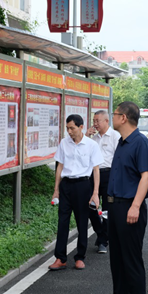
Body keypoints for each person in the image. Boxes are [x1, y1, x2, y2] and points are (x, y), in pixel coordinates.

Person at [94, 101, 148, 294]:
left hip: (130, 207)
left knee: (131, 258)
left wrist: (136, 206)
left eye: (115, 114)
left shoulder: (140, 142)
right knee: (116, 257)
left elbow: (146, 176)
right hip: (115, 206)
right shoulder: (122, 141)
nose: (112, 117)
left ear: (124, 118)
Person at [49, 114, 103, 271]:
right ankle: (60, 258)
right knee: (63, 222)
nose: (69, 131)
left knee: (81, 222)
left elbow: (96, 170)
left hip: (83, 185)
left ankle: (80, 257)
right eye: (67, 128)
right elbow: (59, 167)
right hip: (66, 186)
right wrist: (56, 190)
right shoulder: (64, 143)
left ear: (81, 127)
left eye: (72, 128)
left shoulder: (91, 145)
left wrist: (95, 193)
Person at [86, 110, 120, 253]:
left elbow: (119, 159)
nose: (95, 124)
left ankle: (103, 241)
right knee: (90, 206)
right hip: (93, 175)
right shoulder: (92, 138)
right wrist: (86, 136)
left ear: (106, 121)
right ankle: (100, 233)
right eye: (93, 121)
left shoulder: (115, 136)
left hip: (108, 174)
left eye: (97, 121)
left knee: (106, 208)